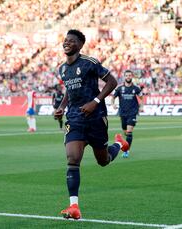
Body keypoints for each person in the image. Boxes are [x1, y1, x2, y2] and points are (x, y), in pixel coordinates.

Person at [54, 29, 129, 220]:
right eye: (65, 40)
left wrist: (95, 102)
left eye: (71, 41)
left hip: (96, 118)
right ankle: (74, 206)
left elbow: (112, 82)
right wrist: (62, 107)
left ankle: (119, 144)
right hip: (75, 119)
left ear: (80, 45)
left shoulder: (90, 63)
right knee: (73, 158)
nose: (67, 43)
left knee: (103, 161)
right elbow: (69, 91)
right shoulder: (62, 69)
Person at [112, 70, 143, 158]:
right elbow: (113, 97)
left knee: (129, 132)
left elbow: (141, 97)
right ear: (124, 77)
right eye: (127, 75)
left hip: (132, 113)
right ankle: (124, 142)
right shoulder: (119, 88)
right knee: (125, 131)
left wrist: (141, 106)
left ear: (131, 76)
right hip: (123, 113)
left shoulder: (136, 88)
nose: (128, 77)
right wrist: (113, 104)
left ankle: (126, 151)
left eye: (130, 75)